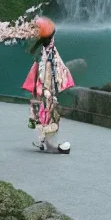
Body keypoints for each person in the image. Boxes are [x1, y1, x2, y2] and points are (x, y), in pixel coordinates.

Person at [23, 17, 75, 154]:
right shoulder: (50, 54)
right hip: (47, 89)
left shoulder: (43, 53)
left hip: (40, 89)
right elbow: (55, 70)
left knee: (41, 113)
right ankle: (48, 142)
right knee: (50, 114)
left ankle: (42, 140)